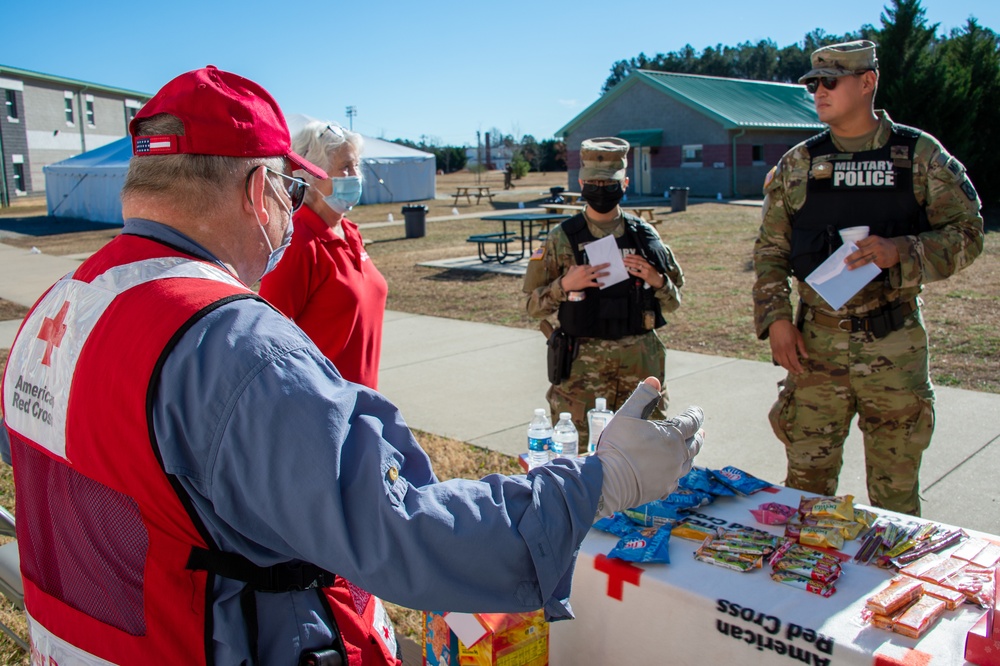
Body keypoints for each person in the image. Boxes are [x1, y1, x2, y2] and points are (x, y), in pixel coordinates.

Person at [0, 66, 705, 665]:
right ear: (258, 192)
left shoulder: (56, 310)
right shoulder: (236, 349)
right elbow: (405, 530)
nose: (289, 213)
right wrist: (603, 481)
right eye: (289, 192)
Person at [753, 40, 984, 516]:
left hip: (894, 345)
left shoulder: (918, 156)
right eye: (813, 84)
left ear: (867, 83)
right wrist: (776, 320)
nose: (818, 92)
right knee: (805, 493)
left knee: (895, 497)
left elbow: (968, 232)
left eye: (830, 82)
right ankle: (803, 583)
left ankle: (892, 586)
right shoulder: (800, 164)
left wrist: (902, 250)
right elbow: (771, 252)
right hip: (815, 348)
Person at [522, 137, 684, 442]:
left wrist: (657, 280)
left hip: (640, 368)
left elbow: (674, 302)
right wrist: (563, 286)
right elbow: (531, 306)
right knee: (581, 460)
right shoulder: (561, 238)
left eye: (608, 184)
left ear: (624, 184)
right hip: (583, 378)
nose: (600, 190)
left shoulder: (645, 236)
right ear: (582, 183)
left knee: (643, 457)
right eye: (593, 183)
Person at [259, 121, 387, 389]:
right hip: (323, 405)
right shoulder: (299, 242)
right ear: (312, 175)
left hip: (363, 399)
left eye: (356, 166)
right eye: (344, 167)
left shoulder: (349, 232)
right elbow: (268, 337)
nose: (355, 175)